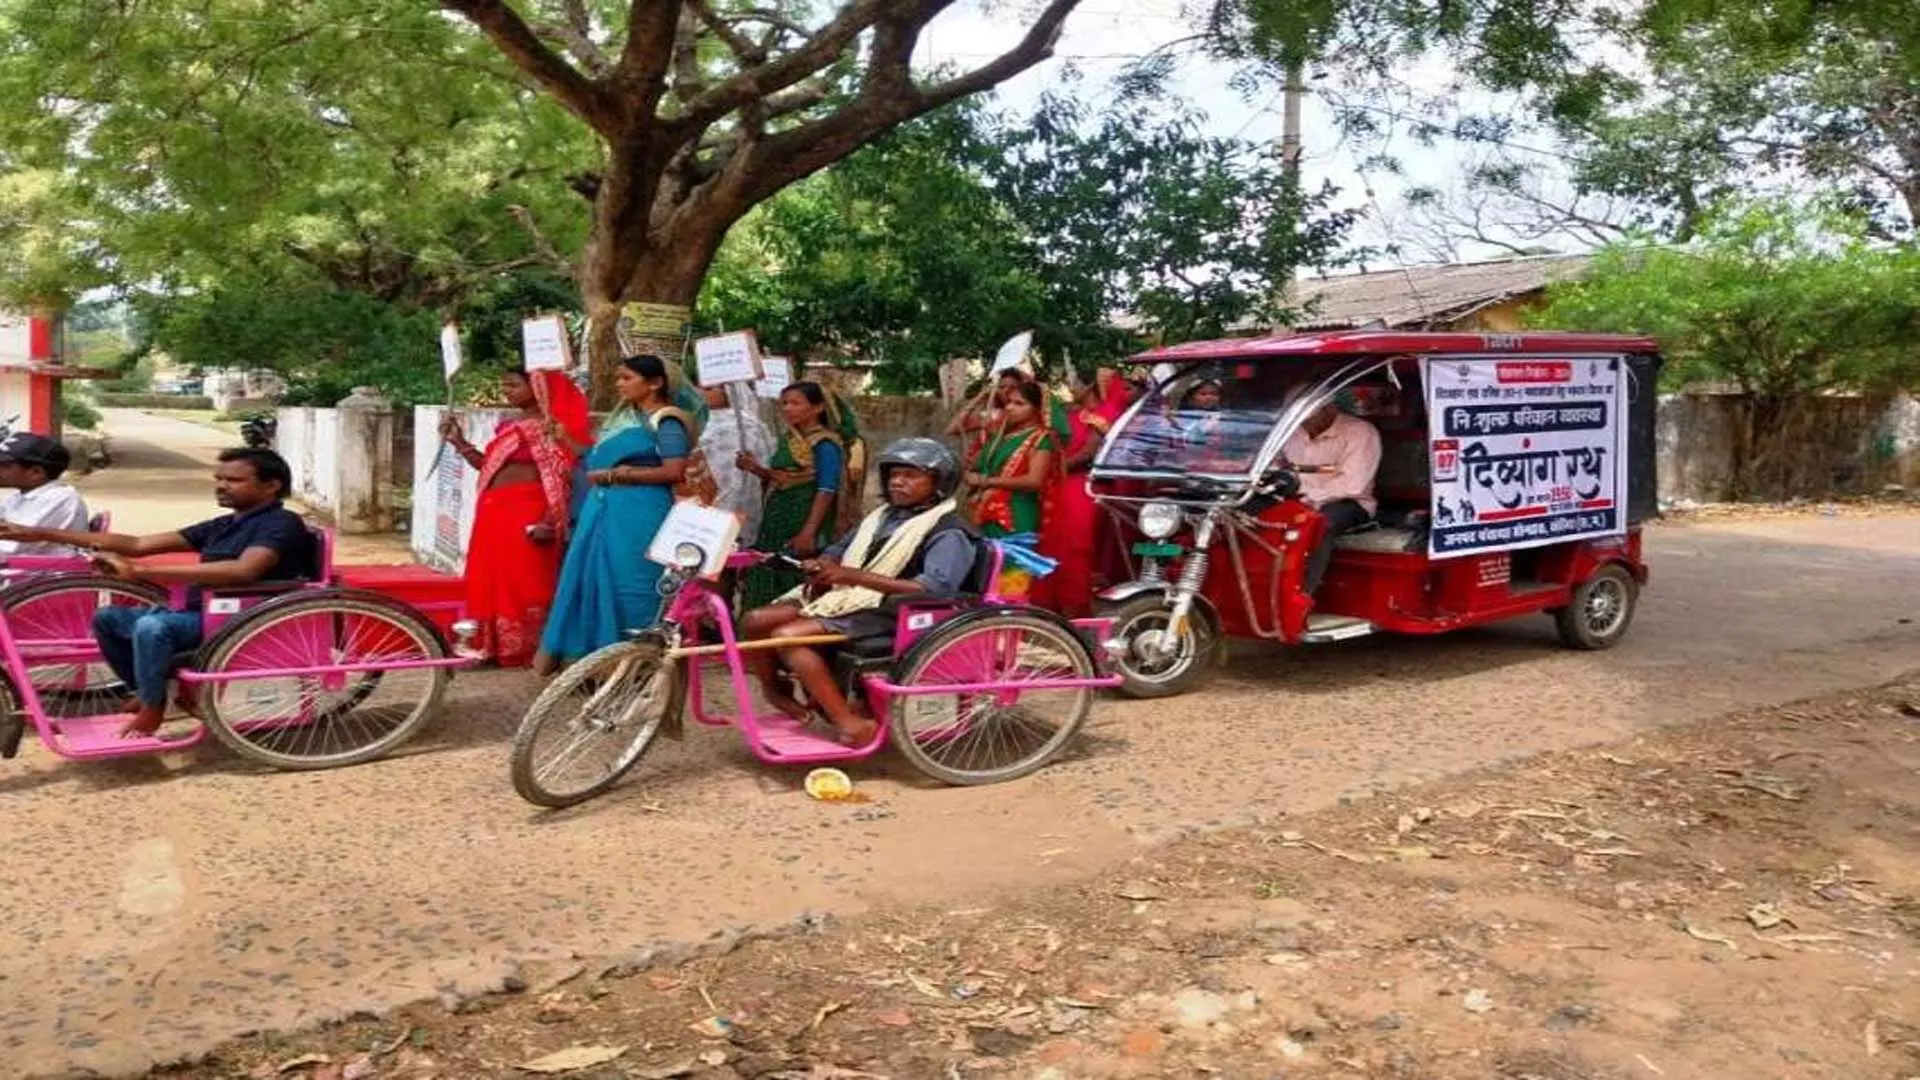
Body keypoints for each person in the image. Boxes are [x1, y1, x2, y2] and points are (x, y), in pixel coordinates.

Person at [0, 447, 319, 737]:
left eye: (234, 480)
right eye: (219, 478)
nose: (221, 485)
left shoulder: (281, 523)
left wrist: (142, 573)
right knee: (108, 618)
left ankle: (153, 710)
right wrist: (39, 533)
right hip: (202, 611)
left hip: (245, 615)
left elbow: (243, 571)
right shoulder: (225, 524)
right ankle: (146, 691)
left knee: (152, 627)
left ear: (272, 485)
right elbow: (139, 544)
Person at [738, 438, 978, 746]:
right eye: (894, 474)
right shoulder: (882, 517)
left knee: (788, 636)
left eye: (911, 475)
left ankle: (849, 722)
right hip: (851, 597)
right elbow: (840, 549)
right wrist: (823, 565)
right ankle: (775, 690)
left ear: (939, 482)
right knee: (755, 620)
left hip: (898, 611)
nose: (898, 482)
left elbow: (933, 588)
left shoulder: (949, 531)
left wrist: (851, 575)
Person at [537, 354, 693, 671]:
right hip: (603, 508)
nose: (620, 384)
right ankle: (590, 660)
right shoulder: (623, 419)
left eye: (627, 378)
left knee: (632, 582)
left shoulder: (667, 421)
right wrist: (566, 438)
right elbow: (594, 460)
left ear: (655, 383)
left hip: (640, 511)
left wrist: (616, 476)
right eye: (619, 378)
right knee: (590, 577)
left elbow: (674, 470)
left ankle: (637, 662)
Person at [438, 367, 590, 667]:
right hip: (495, 510)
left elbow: (562, 475)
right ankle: (491, 646)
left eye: (514, 384)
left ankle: (527, 648)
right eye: (504, 384)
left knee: (524, 581)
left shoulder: (550, 427)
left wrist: (548, 520)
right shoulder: (511, 426)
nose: (507, 390)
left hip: (528, 511)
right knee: (491, 578)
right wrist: (459, 442)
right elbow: (488, 466)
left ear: (538, 388)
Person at [737, 382, 847, 609]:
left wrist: (809, 531)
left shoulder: (825, 444)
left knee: (792, 571)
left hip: (804, 516)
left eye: (795, 403)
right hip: (777, 517)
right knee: (766, 568)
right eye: (784, 403)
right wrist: (754, 468)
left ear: (818, 408)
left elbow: (827, 489)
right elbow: (781, 477)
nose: (787, 409)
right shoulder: (787, 440)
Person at [1036, 372, 1128, 617]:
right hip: (1063, 484)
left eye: (1075, 381)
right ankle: (1053, 606)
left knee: (1074, 547)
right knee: (1053, 545)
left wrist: (1052, 468)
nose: (1070, 386)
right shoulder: (1071, 414)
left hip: (1083, 486)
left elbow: (1088, 452)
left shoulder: (1103, 414)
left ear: (1090, 384)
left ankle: (1074, 608)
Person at [1280, 386, 1382, 598]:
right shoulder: (1291, 431)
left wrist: (1308, 498)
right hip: (1295, 497)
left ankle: (1302, 595)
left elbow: (1352, 484)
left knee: (1319, 524)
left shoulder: (1361, 432)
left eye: (1309, 417)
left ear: (1329, 409)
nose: (1304, 423)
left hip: (1348, 502)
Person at [965, 381, 1059, 599]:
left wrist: (986, 482)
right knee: (987, 571)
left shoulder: (1040, 438)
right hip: (987, 512)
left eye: (1019, 403)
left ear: (1037, 409)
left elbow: (1034, 480)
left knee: (1012, 573)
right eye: (1008, 402)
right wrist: (971, 476)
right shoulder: (1001, 436)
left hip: (1016, 513)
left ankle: (1012, 625)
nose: (1009, 408)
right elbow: (976, 467)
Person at [698, 382, 776, 546]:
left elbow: (765, 462)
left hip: (738, 493)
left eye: (709, 389)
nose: (700, 392)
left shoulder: (747, 424)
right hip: (700, 493)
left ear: (728, 393)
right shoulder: (695, 420)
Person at [0, 433, 90, 556]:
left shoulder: (58, 497)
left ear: (36, 473)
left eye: (4, 466)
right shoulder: (18, 496)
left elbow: (12, 548)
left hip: (40, 571)